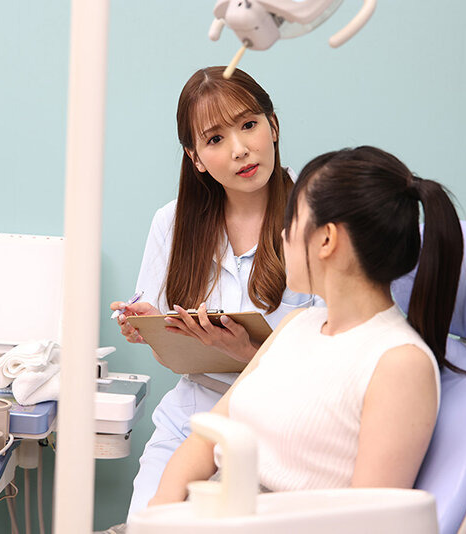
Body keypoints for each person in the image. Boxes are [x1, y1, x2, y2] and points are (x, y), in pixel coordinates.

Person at [148, 145, 466, 505]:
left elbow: (368, 519)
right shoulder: (296, 324)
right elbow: (206, 439)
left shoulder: (399, 363)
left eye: (292, 221)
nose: (283, 235)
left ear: (327, 240)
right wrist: (157, 514)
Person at [110, 66, 316, 518]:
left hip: (286, 428)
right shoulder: (172, 222)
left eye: (249, 125)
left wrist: (246, 354)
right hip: (192, 417)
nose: (240, 149)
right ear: (196, 157)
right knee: (148, 521)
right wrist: (154, 329)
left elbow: (335, 368)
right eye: (216, 139)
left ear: (273, 126)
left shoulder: (318, 218)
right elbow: (171, 359)